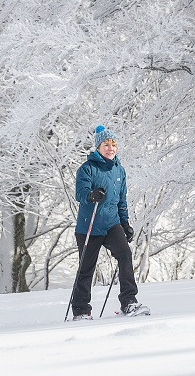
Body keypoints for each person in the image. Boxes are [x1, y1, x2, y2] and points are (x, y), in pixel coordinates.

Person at [70, 125, 148, 320]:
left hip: (112, 224)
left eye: (113, 144)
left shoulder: (119, 169)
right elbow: (80, 194)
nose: (110, 148)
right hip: (90, 225)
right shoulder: (87, 168)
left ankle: (129, 302)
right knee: (87, 267)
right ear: (98, 146)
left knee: (125, 255)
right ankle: (81, 310)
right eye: (106, 144)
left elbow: (121, 200)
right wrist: (91, 195)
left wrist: (125, 223)